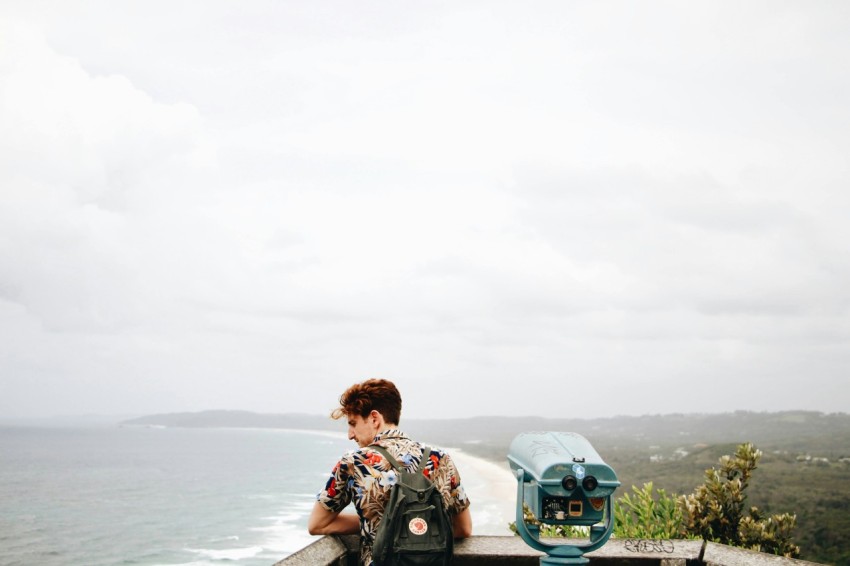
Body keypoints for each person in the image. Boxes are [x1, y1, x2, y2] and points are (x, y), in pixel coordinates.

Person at [308, 378, 472, 565]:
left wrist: (380, 522)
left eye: (353, 423)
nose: (350, 434)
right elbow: (463, 528)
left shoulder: (354, 462)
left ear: (374, 418)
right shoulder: (441, 458)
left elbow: (318, 524)